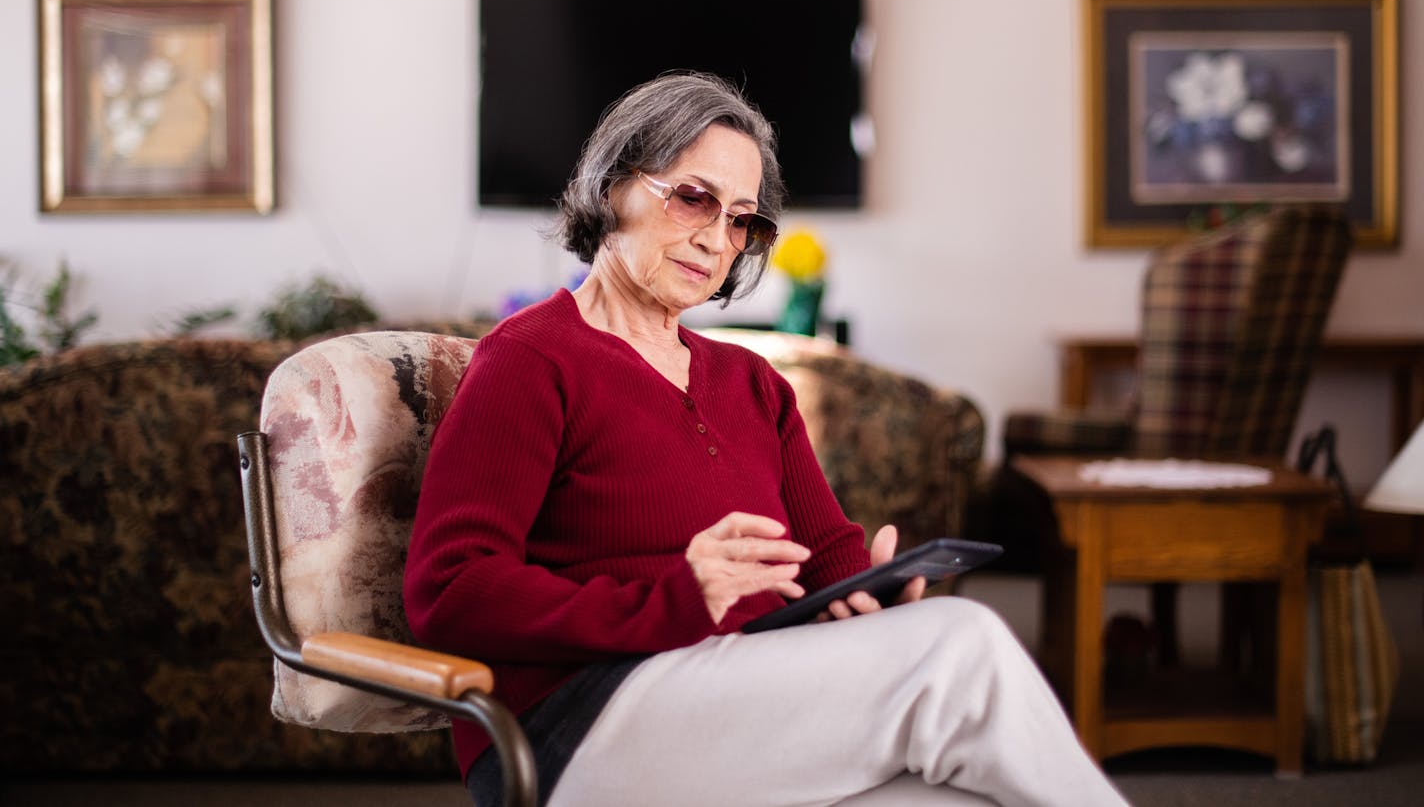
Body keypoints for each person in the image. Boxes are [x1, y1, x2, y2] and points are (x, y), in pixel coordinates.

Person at [403, 72, 1128, 806]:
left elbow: (822, 560)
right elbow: (449, 589)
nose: (718, 241)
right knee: (962, 643)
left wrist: (869, 597)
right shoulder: (530, 360)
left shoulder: (753, 382)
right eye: (695, 198)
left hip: (738, 701)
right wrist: (676, 599)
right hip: (578, 720)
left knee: (956, 798)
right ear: (615, 184)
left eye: (741, 219)